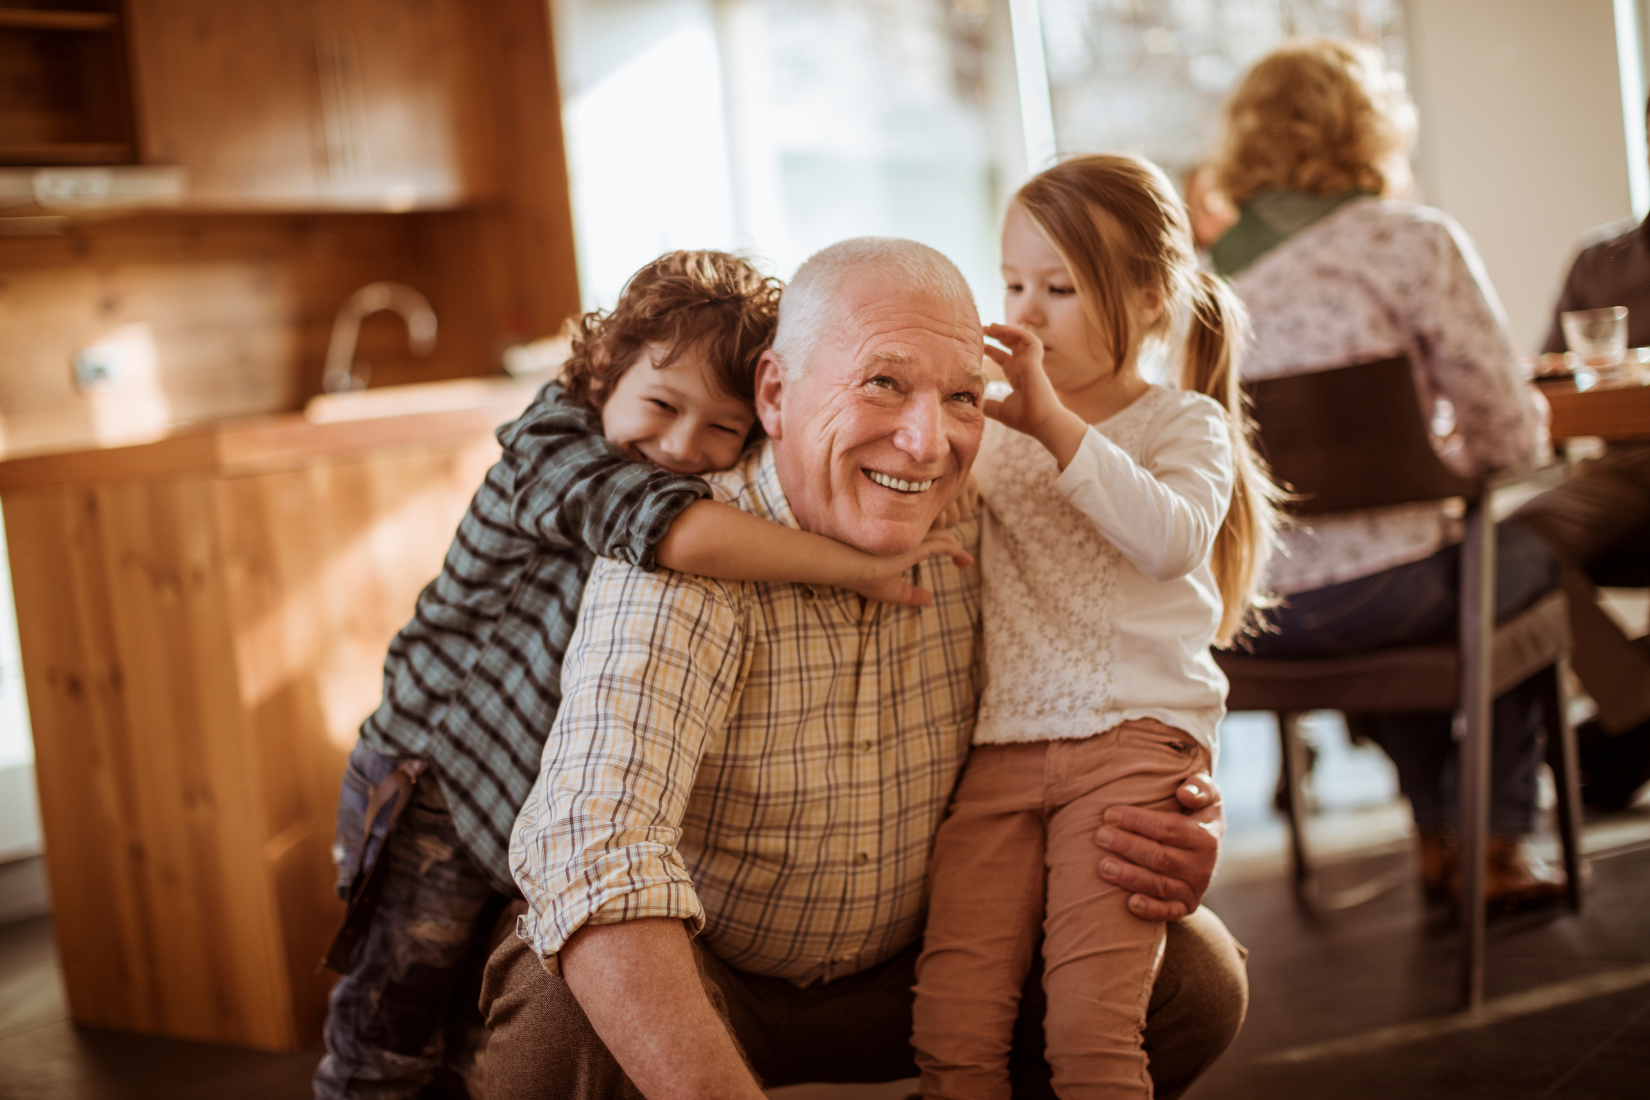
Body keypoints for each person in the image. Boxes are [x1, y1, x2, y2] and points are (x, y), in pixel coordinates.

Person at [484, 238, 1249, 1100]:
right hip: (717, 971)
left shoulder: (985, 510)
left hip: (922, 966)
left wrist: (1173, 798)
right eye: (882, 382)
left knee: (1193, 979)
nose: (926, 443)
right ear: (775, 393)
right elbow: (595, 846)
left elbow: (1122, 651)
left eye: (962, 395)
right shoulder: (680, 549)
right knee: (559, 1016)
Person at [315, 250, 972, 1098]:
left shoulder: (691, 477)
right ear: (600, 376)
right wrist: (856, 565)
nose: (678, 446)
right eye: (661, 405)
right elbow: (672, 530)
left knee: (464, 1042)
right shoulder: (551, 446)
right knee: (388, 1033)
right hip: (435, 787)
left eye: (719, 430)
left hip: (518, 802)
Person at [909, 155, 1278, 1100]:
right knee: (952, 1022)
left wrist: (1054, 425)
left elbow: (1169, 540)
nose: (1025, 313)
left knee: (1091, 1028)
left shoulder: (1178, 424)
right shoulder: (994, 433)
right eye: (1014, 282)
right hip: (1003, 749)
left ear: (1152, 301)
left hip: (1131, 744)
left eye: (1061, 288)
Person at [1208, 39, 1565, 910]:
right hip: (1388, 594)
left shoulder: (1203, 279)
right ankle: (1494, 841)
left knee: (1425, 573)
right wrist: (1444, 469)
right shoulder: (1411, 242)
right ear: (1368, 129)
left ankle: (1437, 834)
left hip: (1253, 616)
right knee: (1515, 569)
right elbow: (1513, 439)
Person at [1514, 91, 1650, 812]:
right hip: (1625, 465)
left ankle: (1626, 731)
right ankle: (1638, 709)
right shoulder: (1602, 260)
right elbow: (1550, 383)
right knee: (1514, 546)